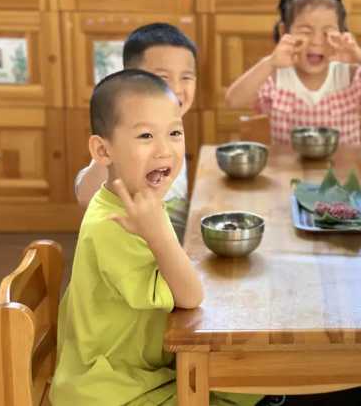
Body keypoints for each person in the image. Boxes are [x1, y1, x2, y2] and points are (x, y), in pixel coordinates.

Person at [50, 69, 263, 406]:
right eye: (146, 136)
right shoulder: (113, 223)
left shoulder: (141, 200)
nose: (165, 150)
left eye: (175, 132)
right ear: (103, 151)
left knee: (252, 377)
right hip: (114, 388)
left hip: (144, 366)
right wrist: (160, 234)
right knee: (248, 385)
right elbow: (189, 296)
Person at [224, 0, 361, 144]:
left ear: (341, 34)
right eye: (305, 31)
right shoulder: (274, 76)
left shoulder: (350, 74)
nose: (316, 41)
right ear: (284, 32)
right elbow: (233, 101)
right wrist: (270, 62)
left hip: (341, 177)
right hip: (289, 176)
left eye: (327, 32)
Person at [74, 23, 197, 241]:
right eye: (163, 77)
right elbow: (86, 195)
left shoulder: (173, 125)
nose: (177, 88)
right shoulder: (125, 133)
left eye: (186, 77)